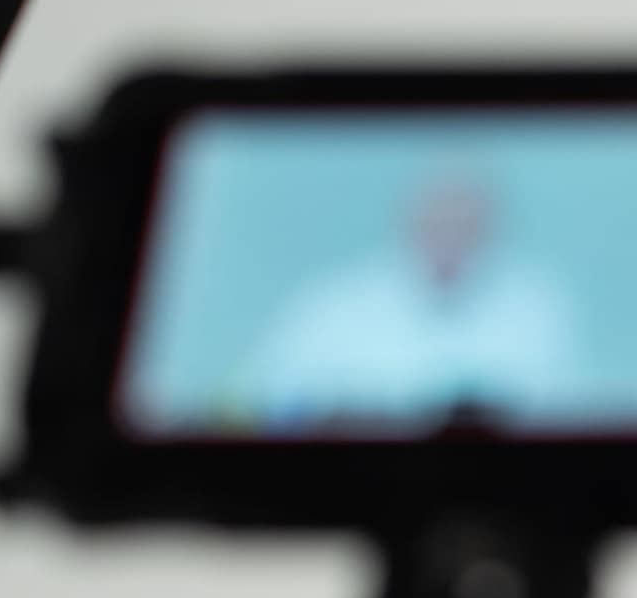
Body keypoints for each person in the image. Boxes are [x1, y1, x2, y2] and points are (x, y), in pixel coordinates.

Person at [236, 170, 580, 430]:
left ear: (491, 228)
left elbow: (567, 411)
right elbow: (259, 403)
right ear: (410, 219)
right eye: (439, 217)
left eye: (466, 222)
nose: (450, 234)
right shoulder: (335, 303)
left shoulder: (536, 306)